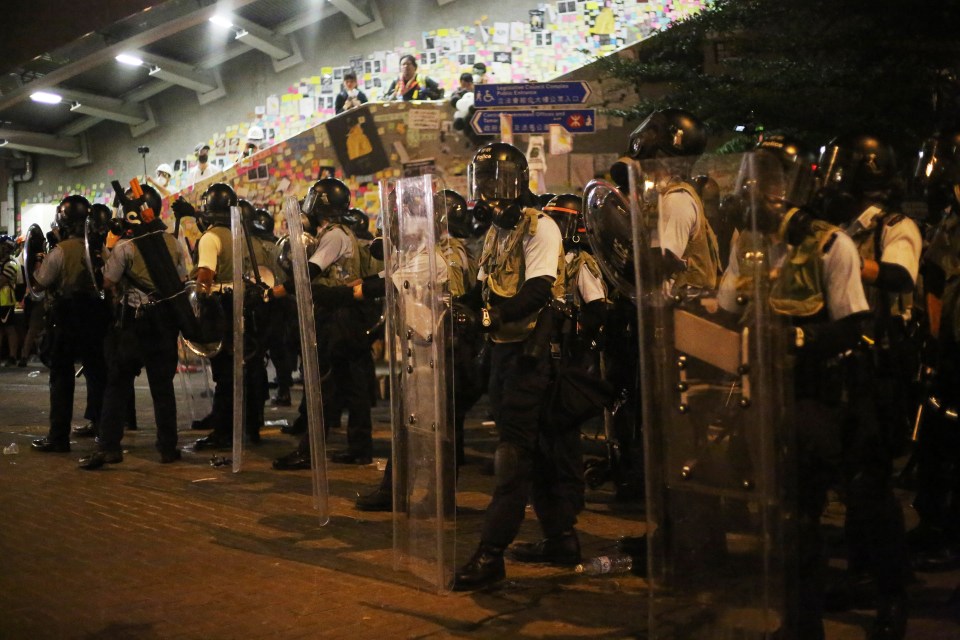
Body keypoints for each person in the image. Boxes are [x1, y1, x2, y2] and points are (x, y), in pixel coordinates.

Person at [717, 136, 872, 639]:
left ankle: (809, 625)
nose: (760, 194)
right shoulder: (746, 244)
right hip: (759, 394)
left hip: (811, 396)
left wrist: (798, 336)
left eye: (773, 184)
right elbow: (726, 307)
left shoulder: (831, 244)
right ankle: (785, 615)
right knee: (773, 518)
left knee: (805, 517)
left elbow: (854, 324)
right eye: (753, 181)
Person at [452, 142, 571, 591]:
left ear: (520, 181)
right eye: (481, 182)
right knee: (537, 449)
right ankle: (562, 538)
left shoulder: (539, 228)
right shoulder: (498, 232)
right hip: (502, 352)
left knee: (513, 455)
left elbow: (540, 290)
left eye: (496, 181)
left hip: (530, 354)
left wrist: (493, 316)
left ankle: (491, 554)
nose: (488, 191)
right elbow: (482, 290)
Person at [814, 134, 913, 639]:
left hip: (878, 365)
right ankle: (859, 574)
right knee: (846, 482)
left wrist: (845, 260)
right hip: (838, 364)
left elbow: (900, 275)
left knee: (872, 485)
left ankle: (893, 594)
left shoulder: (897, 226)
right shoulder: (839, 227)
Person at [78, 185, 186, 469]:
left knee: (117, 384)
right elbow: (182, 278)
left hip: (133, 324)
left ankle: (109, 446)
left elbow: (108, 282)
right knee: (162, 388)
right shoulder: (173, 243)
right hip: (164, 323)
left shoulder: (126, 247)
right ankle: (167, 448)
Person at [272, 178, 372, 469]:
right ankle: (359, 448)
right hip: (346, 317)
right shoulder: (345, 233)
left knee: (324, 386)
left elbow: (308, 272)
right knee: (349, 387)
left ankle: (310, 451)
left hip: (336, 318)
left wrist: (273, 292)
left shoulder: (333, 236)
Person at [909, 128, 960, 571]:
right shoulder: (950, 220)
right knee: (937, 441)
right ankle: (936, 526)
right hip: (950, 350)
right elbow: (937, 283)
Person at [30, 195, 109, 453]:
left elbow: (39, 284)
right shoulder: (99, 248)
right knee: (97, 375)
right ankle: (102, 430)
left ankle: (58, 437)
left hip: (65, 318)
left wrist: (39, 259)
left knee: (62, 378)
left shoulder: (60, 252)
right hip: (95, 317)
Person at [626, 108, 720, 296]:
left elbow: (662, 265)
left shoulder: (677, 200)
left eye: (652, 133)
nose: (645, 138)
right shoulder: (663, 195)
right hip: (676, 311)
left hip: (684, 315)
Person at [191, 183, 240, 450]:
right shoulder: (239, 235)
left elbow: (205, 276)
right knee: (234, 372)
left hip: (219, 308)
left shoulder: (210, 238)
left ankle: (222, 432)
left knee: (222, 374)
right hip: (240, 306)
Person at [0, 235, 21, 366]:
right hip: (2, 302)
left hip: (6, 301)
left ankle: (13, 356)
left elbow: (1, 281)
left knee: (9, 329)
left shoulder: (11, 264)